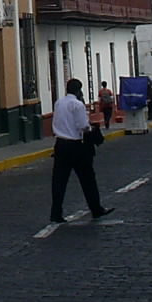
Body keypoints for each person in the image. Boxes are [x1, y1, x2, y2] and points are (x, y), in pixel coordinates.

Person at [49, 79, 113, 224]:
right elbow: (83, 126)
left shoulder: (58, 103)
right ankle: (96, 209)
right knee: (87, 179)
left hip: (60, 144)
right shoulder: (77, 105)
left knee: (59, 181)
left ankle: (56, 213)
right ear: (79, 90)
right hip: (77, 145)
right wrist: (92, 130)